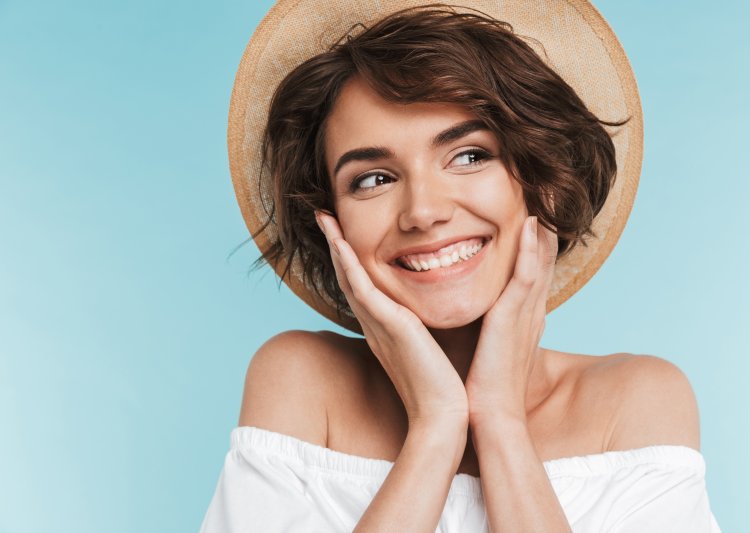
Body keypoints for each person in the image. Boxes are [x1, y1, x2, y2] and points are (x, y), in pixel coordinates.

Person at [201, 2, 721, 532]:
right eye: (373, 179)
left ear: (541, 179)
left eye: (469, 156)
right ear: (331, 222)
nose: (424, 211)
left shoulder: (635, 401)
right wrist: (436, 424)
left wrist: (499, 418)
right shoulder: (301, 380)